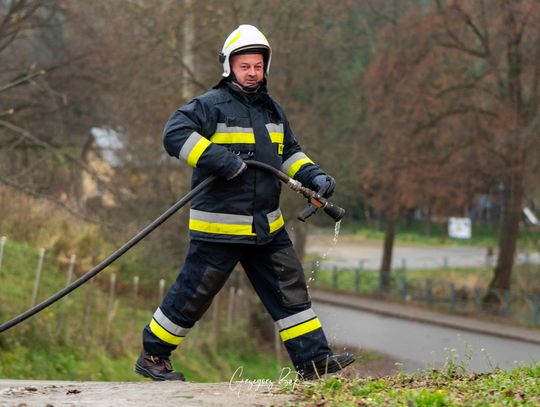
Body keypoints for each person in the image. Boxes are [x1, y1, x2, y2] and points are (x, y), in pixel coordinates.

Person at [135, 24, 354, 381]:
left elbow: (289, 153)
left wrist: (314, 175)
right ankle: (153, 356)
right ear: (229, 67)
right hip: (219, 228)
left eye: (257, 66)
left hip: (266, 227)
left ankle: (314, 362)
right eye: (244, 66)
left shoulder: (272, 111)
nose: (252, 72)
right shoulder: (210, 105)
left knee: (289, 289)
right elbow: (174, 134)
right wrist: (220, 159)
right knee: (193, 295)